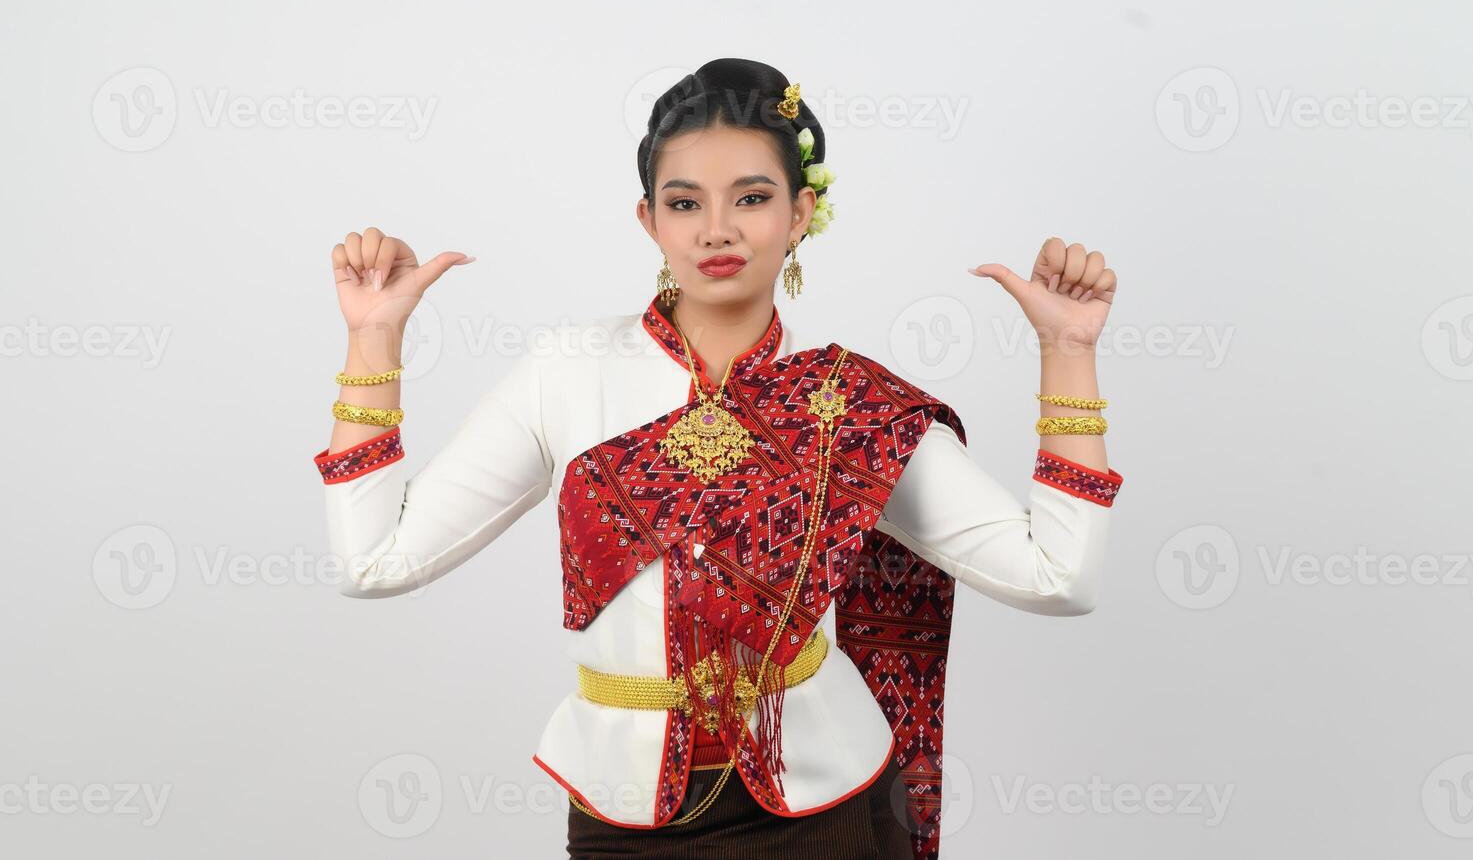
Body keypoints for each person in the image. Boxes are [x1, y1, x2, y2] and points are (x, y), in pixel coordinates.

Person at [311, 57, 1124, 860]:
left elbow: (1056, 577)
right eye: (684, 202)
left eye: (752, 198)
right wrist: (372, 337)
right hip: (621, 810)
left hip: (824, 806)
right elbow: (374, 560)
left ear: (801, 213)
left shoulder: (855, 406)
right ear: (648, 221)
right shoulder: (566, 373)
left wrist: (1066, 351)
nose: (716, 228)